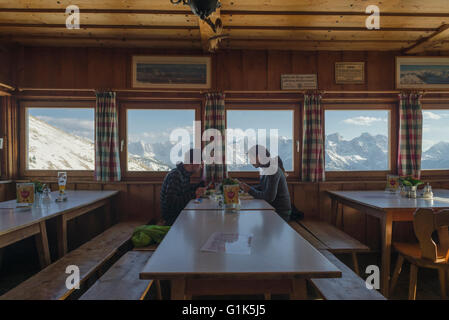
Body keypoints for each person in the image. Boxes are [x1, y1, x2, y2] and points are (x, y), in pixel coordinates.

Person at [238, 145, 292, 222]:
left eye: (251, 158)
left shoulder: (272, 170)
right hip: (272, 209)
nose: (250, 161)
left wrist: (249, 190)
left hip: (280, 213)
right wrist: (245, 187)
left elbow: (269, 197)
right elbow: (263, 187)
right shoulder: (266, 168)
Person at [160, 149, 206, 225]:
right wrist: (194, 194)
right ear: (193, 163)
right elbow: (171, 204)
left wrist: (201, 185)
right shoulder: (175, 175)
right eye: (201, 163)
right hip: (173, 218)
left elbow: (185, 191)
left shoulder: (184, 174)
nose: (201, 166)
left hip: (181, 213)